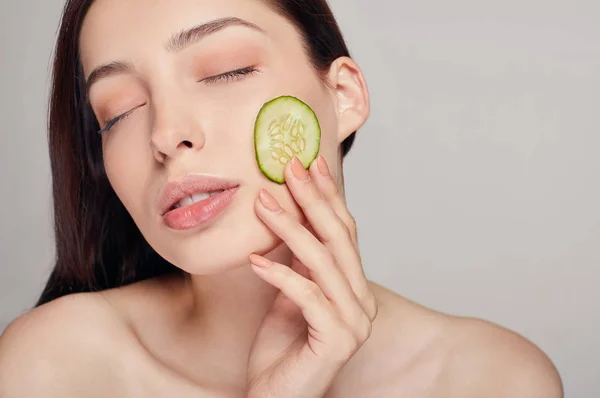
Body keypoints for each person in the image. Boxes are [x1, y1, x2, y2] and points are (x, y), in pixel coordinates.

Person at [0, 0, 563, 396]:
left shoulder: (494, 380)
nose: (165, 134)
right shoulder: (53, 366)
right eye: (117, 111)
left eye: (227, 70)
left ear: (342, 95)